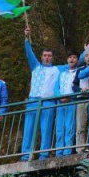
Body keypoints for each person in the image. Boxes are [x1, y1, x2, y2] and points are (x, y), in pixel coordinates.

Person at [22, 25, 61, 161]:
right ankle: (26, 155)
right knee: (29, 129)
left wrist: (85, 53)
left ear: (52, 58)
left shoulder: (57, 69)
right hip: (33, 100)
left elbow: (73, 65)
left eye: (49, 56)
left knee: (46, 129)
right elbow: (29, 53)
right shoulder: (35, 67)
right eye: (45, 56)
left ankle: (44, 154)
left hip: (48, 101)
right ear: (41, 57)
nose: (47, 58)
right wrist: (26, 37)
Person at [54, 52, 82, 156]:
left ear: (78, 60)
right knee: (59, 127)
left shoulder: (79, 72)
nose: (72, 59)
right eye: (70, 57)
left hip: (72, 101)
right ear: (67, 60)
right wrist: (60, 97)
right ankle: (59, 151)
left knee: (70, 126)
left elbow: (77, 87)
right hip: (60, 102)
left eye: (74, 57)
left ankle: (67, 151)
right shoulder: (62, 73)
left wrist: (69, 97)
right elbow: (56, 87)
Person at [74, 49, 89, 147]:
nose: (88, 57)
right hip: (81, 99)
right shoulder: (80, 69)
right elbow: (74, 85)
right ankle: (80, 148)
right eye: (86, 55)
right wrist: (80, 89)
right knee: (81, 126)